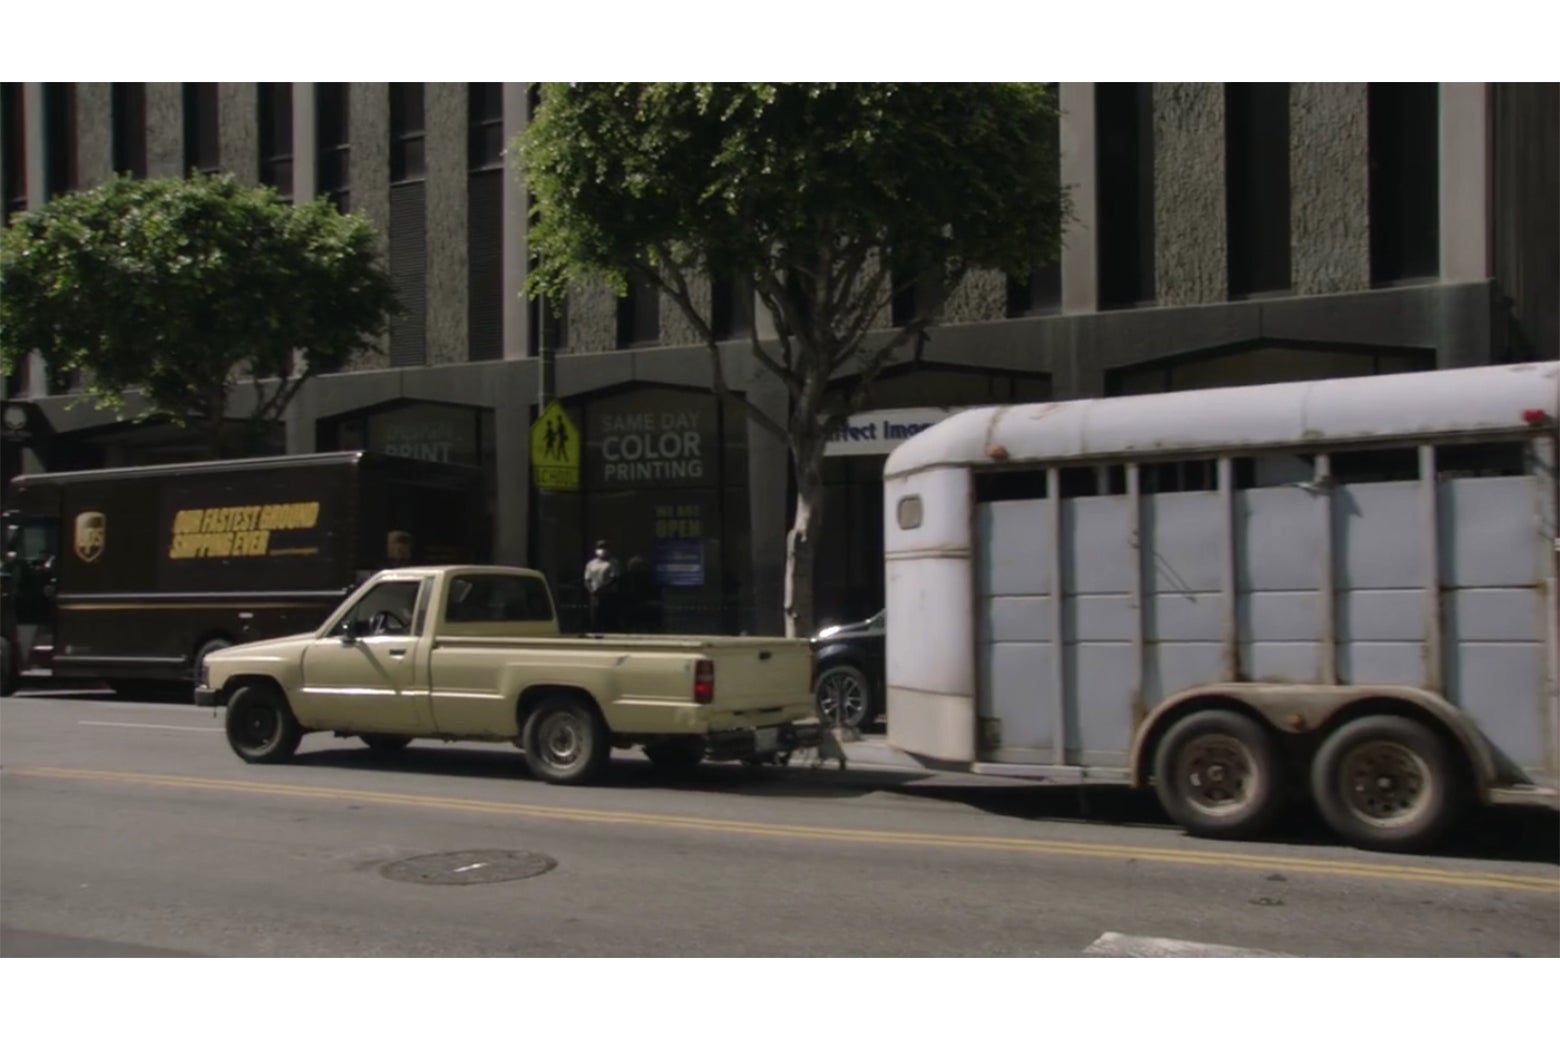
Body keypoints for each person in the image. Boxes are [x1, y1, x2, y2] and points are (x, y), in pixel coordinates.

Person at [583, 539, 622, 631]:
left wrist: (602, 588)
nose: (602, 550)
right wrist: (592, 591)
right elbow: (587, 579)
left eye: (604, 547)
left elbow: (615, 579)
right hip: (595, 595)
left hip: (608, 595)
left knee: (608, 619)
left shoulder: (613, 562)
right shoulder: (591, 564)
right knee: (595, 618)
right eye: (600, 547)